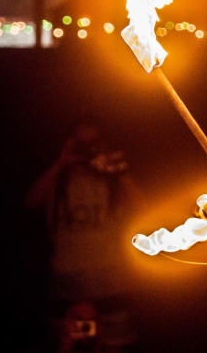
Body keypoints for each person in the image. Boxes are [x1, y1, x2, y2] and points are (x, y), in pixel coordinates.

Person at [26, 120, 143, 352]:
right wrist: (61, 162)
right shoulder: (58, 183)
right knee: (67, 346)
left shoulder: (112, 183)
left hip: (113, 280)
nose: (86, 150)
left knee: (116, 346)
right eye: (80, 144)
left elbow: (142, 206)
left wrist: (115, 168)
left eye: (93, 144)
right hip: (67, 281)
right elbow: (30, 201)